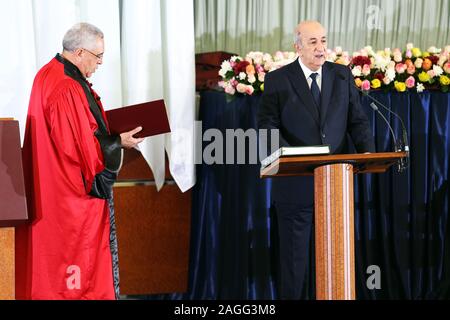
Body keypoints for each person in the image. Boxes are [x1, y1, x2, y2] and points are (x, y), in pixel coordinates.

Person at [15, 22, 144, 300]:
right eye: (98, 57)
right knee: (78, 279)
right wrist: (116, 142)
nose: (99, 64)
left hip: (50, 189)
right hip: (70, 200)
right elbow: (79, 150)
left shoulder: (47, 74)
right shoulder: (67, 87)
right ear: (80, 52)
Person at [258, 21, 375, 299]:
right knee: (294, 266)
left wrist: (368, 152)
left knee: (337, 261)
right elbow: (267, 129)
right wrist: (289, 156)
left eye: (323, 40)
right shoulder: (278, 81)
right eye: (313, 42)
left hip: (336, 187)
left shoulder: (342, 75)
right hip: (296, 186)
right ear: (297, 46)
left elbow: (357, 120)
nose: (321, 48)